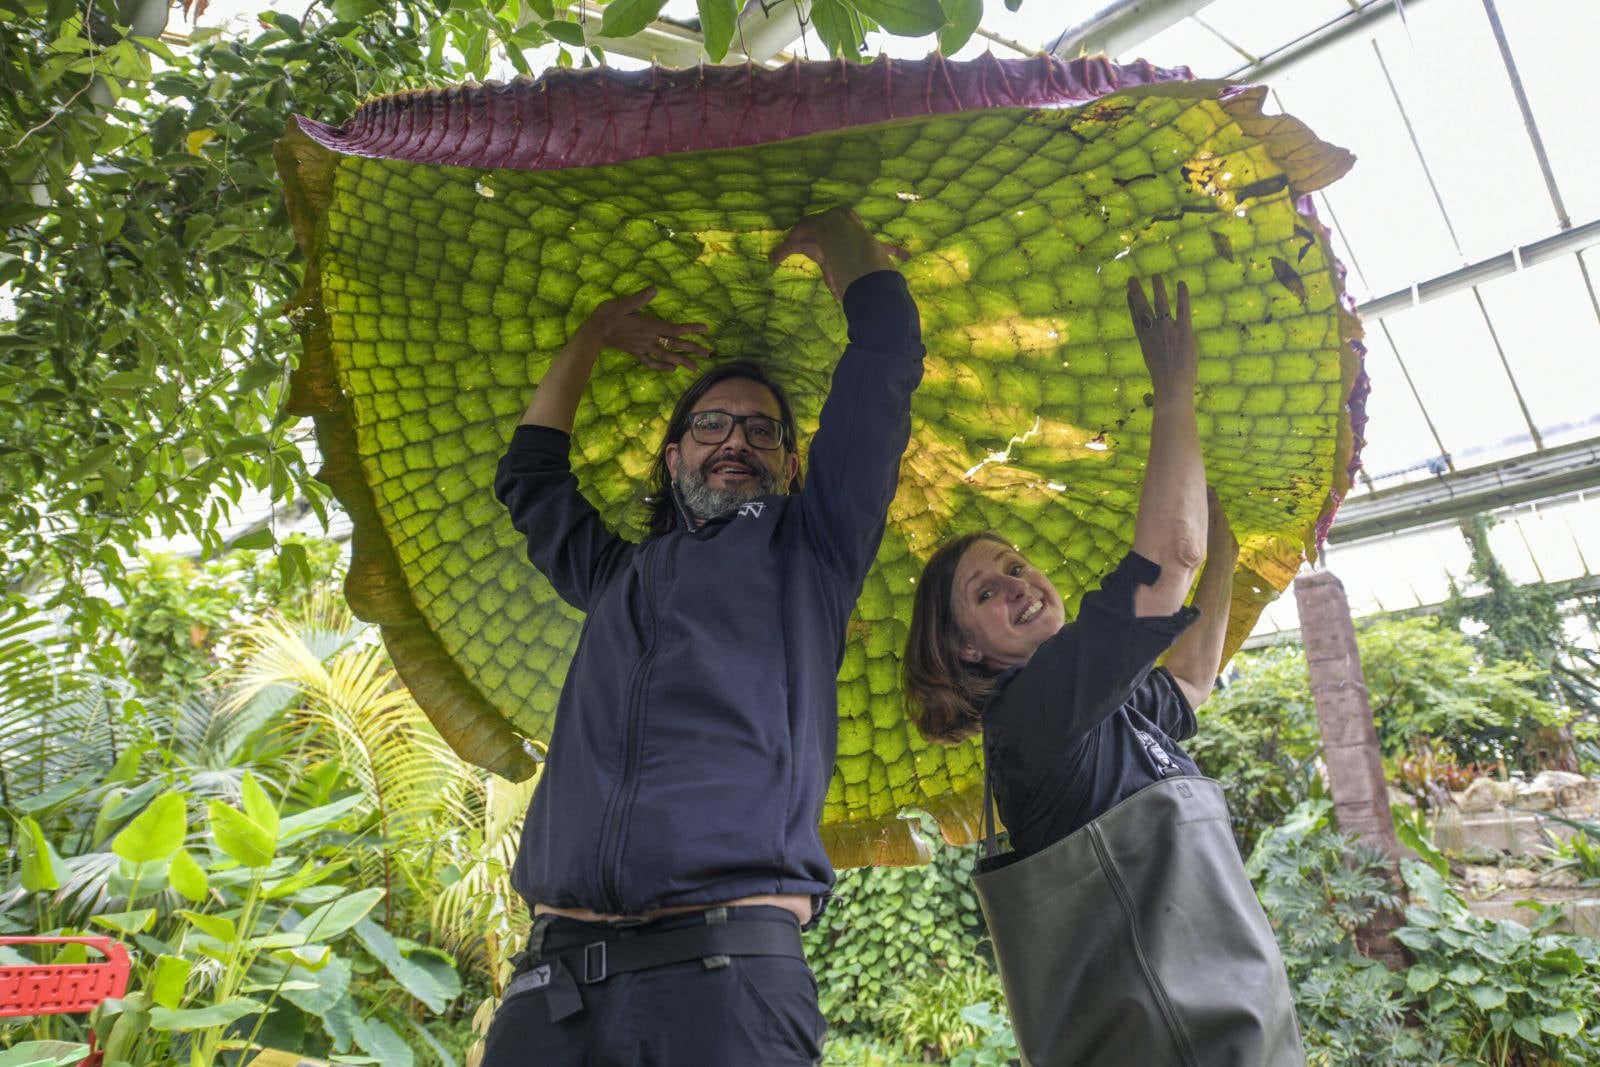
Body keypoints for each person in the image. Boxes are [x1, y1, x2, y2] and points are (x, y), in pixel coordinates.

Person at [483, 207, 923, 1066]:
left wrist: (843, 244)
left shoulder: (815, 549)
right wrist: (596, 331)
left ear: (793, 466)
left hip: (723, 979)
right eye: (712, 424)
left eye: (763, 430)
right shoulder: (613, 577)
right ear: (674, 455)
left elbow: (885, 361)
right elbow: (529, 473)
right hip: (553, 985)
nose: (737, 441)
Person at [902, 276, 1305, 1067]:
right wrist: (1175, 392)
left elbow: (1188, 681)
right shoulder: (1034, 716)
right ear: (968, 654)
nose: (1020, 583)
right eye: (988, 591)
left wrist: (1226, 548)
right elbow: (1166, 565)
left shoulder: (1102, 709)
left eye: (1016, 565)